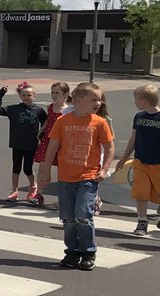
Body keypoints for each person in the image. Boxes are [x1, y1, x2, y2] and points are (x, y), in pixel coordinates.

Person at [42, 81, 115, 270]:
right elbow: (52, 147)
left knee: (83, 215)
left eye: (99, 100)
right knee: (68, 217)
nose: (98, 103)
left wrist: (104, 169)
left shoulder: (99, 122)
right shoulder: (62, 121)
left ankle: (88, 251)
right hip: (65, 178)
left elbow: (109, 147)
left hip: (88, 178)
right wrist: (45, 171)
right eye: (94, 99)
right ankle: (72, 251)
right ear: (77, 101)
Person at [114, 83, 160, 236]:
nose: (134, 103)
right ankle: (142, 222)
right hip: (140, 162)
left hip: (159, 164)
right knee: (140, 193)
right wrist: (123, 159)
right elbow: (133, 139)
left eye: (136, 100)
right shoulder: (139, 117)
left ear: (144, 101)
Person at [0, 82, 47, 201]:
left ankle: (33, 186)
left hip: (31, 144)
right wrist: (1, 93)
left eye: (29, 95)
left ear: (34, 96)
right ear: (20, 96)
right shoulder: (14, 109)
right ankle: (14, 191)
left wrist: (41, 136)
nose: (26, 97)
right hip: (17, 143)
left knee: (27, 168)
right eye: (24, 95)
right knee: (16, 168)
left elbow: (46, 124)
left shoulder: (38, 110)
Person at [29, 81, 72, 207]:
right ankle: (39, 194)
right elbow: (49, 120)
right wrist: (41, 131)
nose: (54, 95)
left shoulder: (69, 110)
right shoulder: (51, 107)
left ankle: (61, 198)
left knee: (62, 170)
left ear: (65, 94)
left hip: (61, 142)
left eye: (57, 93)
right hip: (48, 140)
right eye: (52, 92)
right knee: (43, 167)